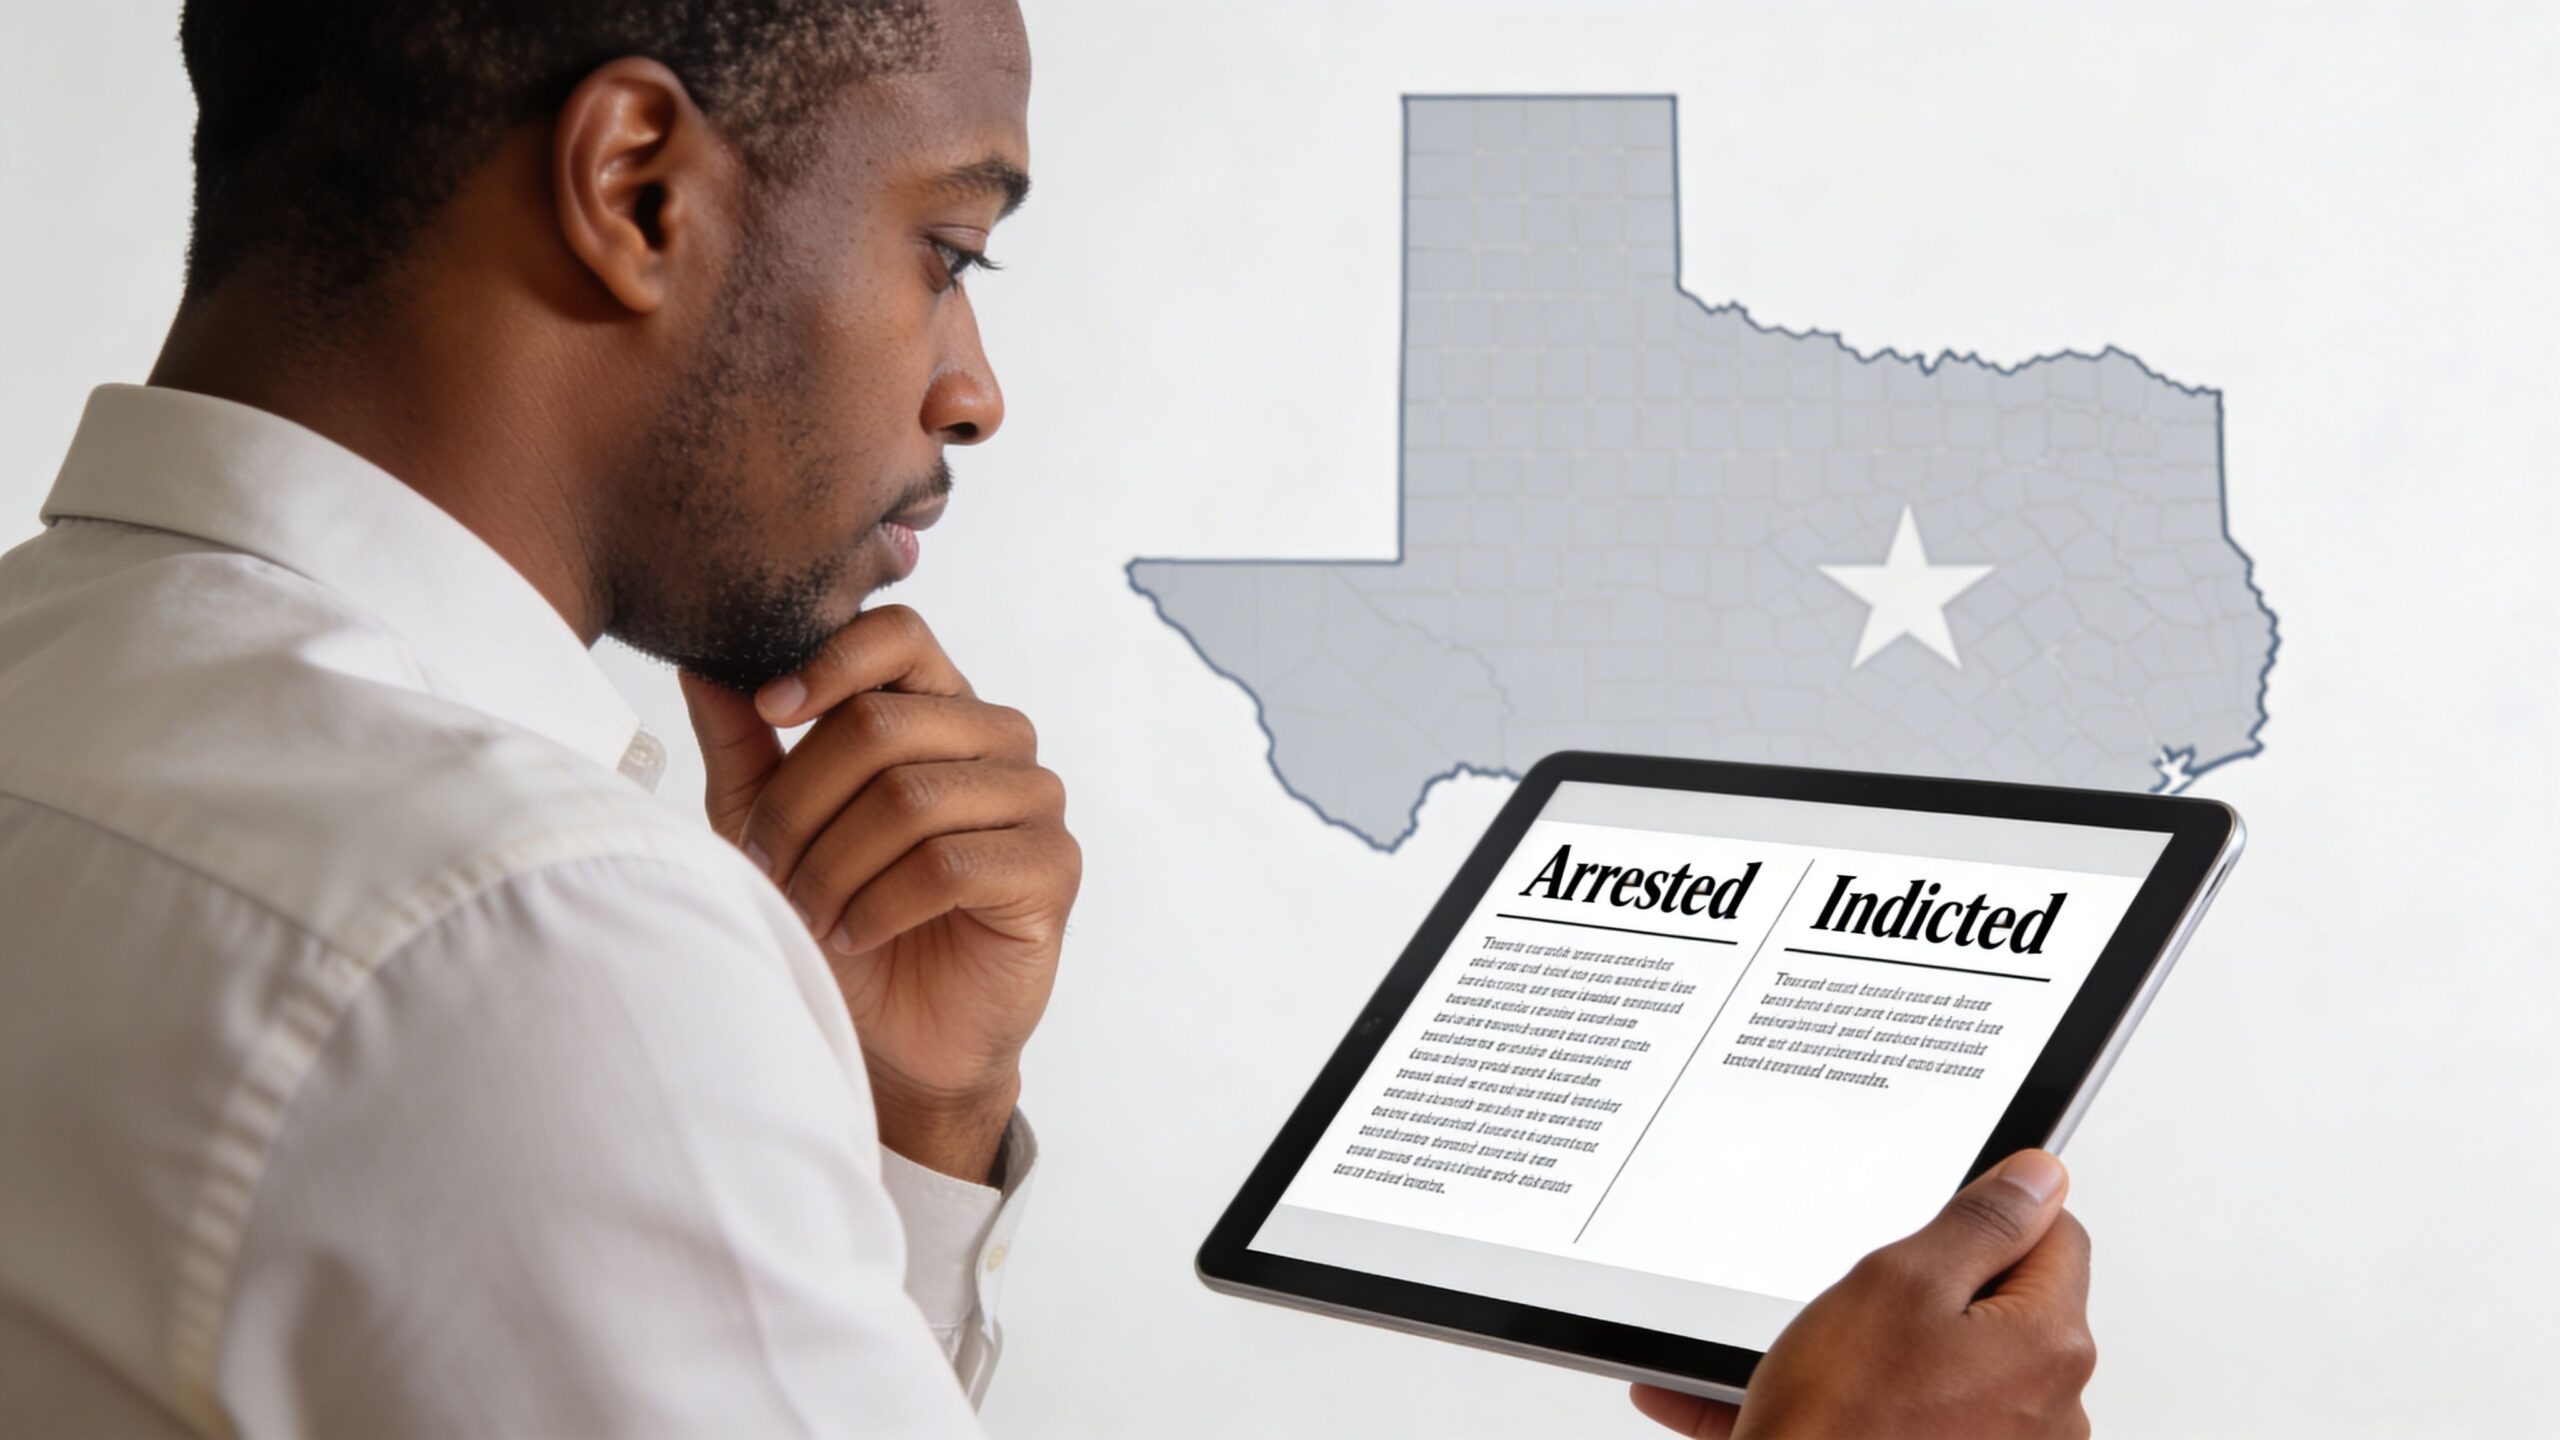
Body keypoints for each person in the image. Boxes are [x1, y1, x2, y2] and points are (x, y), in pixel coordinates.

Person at [0, 1, 2095, 1434]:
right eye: (947, 247)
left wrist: (901, 1130)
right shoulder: (523, 933)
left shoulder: (57, 694)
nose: (972, 389)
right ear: (635, 187)